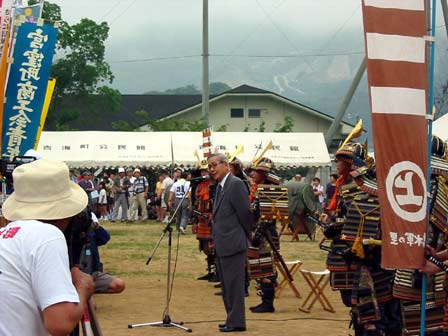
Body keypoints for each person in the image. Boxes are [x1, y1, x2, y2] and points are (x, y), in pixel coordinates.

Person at [0, 159, 94, 336]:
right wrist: (83, 287)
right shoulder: (47, 236)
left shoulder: (5, 236)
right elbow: (60, 323)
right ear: (65, 214)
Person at [208, 153, 253, 332]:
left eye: (214, 165)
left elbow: (245, 213)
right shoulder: (220, 186)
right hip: (222, 242)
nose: (212, 169)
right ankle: (231, 318)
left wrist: (245, 235)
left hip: (233, 242)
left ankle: (237, 322)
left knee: (234, 286)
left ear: (226, 165)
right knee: (227, 286)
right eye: (209, 166)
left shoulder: (235, 184)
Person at [247, 157, 282, 313]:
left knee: (266, 268)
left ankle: (268, 303)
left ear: (264, 174)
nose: (253, 174)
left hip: (266, 234)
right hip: (259, 232)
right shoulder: (259, 189)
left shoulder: (270, 191)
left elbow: (268, 217)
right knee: (259, 267)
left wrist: (259, 233)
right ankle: (265, 300)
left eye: (256, 171)